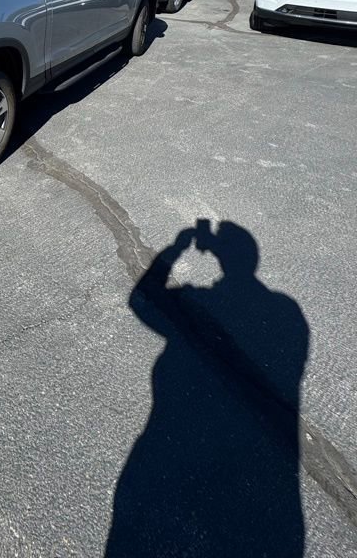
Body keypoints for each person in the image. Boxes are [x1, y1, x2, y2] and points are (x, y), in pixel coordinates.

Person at [105, 221, 308, 558]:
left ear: (221, 254)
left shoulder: (207, 300)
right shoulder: (288, 311)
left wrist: (178, 247)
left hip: (168, 457)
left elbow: (142, 300)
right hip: (267, 495)